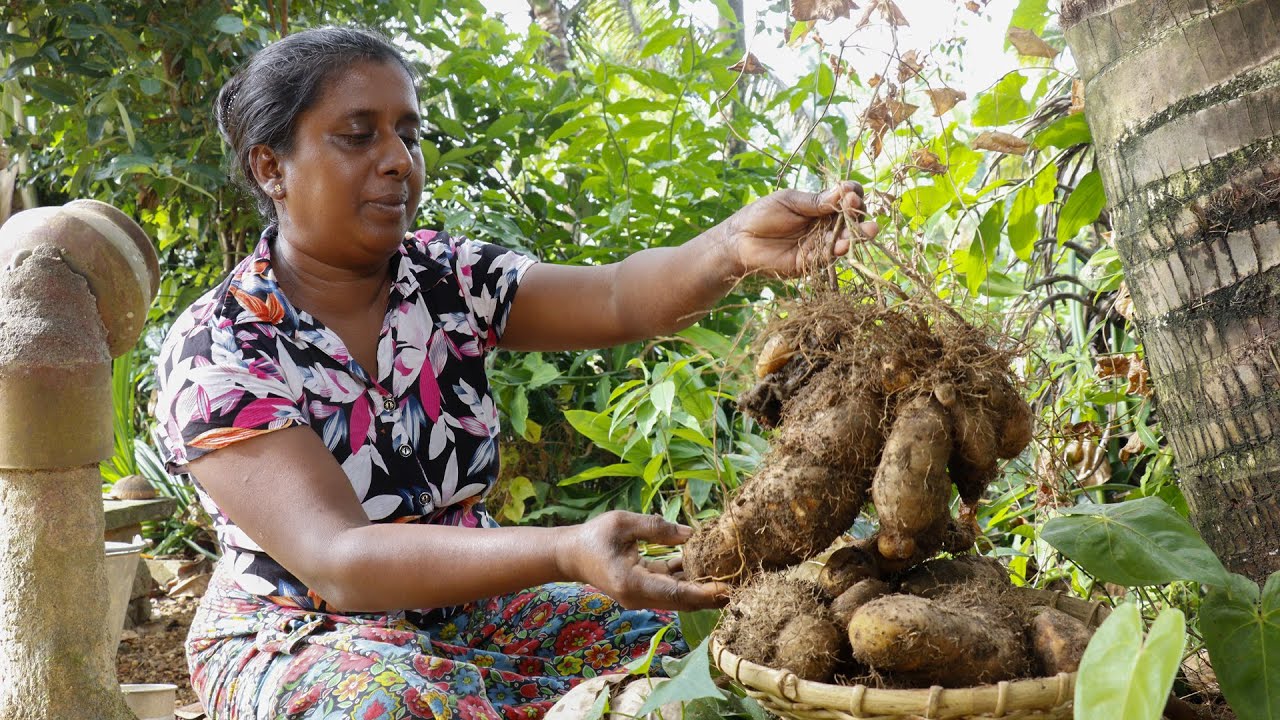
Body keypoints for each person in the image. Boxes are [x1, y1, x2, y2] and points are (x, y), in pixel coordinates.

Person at [154, 25, 879, 720]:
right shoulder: (221, 348)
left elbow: (618, 296)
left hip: (477, 611)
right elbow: (338, 559)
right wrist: (565, 550)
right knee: (388, 706)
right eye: (358, 134)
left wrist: (732, 246)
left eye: (408, 133)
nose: (398, 159)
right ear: (270, 166)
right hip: (302, 633)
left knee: (702, 642)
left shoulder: (447, 279)